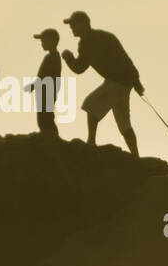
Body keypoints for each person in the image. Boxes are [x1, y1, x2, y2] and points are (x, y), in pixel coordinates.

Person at [60, 11, 143, 157]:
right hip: (123, 82)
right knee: (123, 122)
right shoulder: (91, 41)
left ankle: (91, 141)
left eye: (74, 25)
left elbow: (124, 59)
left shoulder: (99, 39)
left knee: (90, 103)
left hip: (117, 81)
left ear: (85, 24)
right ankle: (136, 156)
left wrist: (68, 58)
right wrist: (69, 58)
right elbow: (80, 68)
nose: (71, 28)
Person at [24, 28, 62, 138]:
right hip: (44, 90)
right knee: (43, 116)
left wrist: (34, 85)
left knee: (46, 117)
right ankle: (48, 137)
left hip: (47, 91)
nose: (42, 43)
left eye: (44, 41)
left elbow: (47, 76)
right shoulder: (51, 57)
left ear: (53, 41)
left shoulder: (53, 57)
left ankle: (51, 138)